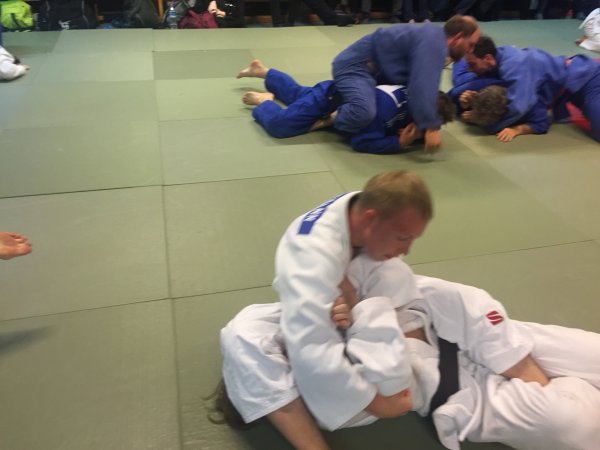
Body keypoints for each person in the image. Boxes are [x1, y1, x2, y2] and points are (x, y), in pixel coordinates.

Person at [217, 253, 600, 449]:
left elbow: (452, 297)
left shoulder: (267, 328)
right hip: (462, 395)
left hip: (475, 333)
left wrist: (522, 367)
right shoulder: (339, 397)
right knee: (574, 425)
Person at [237, 59, 456, 154]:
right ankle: (265, 101)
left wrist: (430, 129)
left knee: (297, 94)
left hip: (339, 93)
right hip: (327, 101)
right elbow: (360, 141)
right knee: (281, 125)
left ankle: (264, 72)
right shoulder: (385, 111)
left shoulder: (419, 96)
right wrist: (397, 143)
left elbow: (436, 106)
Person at [330, 15, 480, 152]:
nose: (470, 51)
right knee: (363, 112)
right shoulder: (433, 43)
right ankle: (331, 118)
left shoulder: (434, 40)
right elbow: (422, 86)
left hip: (376, 74)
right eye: (471, 44)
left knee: (399, 111)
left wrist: (422, 124)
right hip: (355, 67)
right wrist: (431, 126)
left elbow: (423, 86)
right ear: (458, 37)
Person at [464, 35, 600, 142]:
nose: (470, 69)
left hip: (589, 79)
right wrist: (472, 100)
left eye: (472, 64)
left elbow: (519, 107)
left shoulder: (514, 65)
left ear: (488, 58)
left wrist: (485, 123)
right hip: (569, 89)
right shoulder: (497, 58)